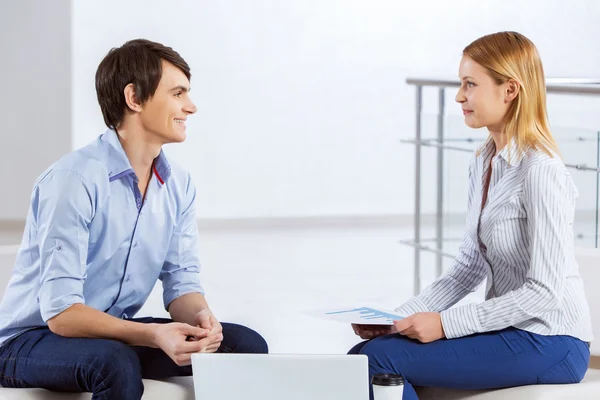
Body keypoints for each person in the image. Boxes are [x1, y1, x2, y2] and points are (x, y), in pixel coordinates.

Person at [0, 39, 268, 399]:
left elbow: (181, 282)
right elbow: (63, 315)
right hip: (29, 341)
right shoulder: (73, 180)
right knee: (113, 361)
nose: (191, 107)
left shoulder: (178, 185)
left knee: (244, 345)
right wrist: (154, 335)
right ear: (134, 98)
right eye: (178, 93)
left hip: (109, 335)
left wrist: (202, 318)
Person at [349, 31, 593, 400]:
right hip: (512, 331)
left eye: (470, 84)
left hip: (553, 340)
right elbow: (468, 267)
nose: (460, 96)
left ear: (509, 89)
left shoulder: (542, 170)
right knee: (362, 358)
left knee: (375, 363)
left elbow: (544, 292)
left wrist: (446, 324)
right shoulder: (484, 163)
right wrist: (394, 320)